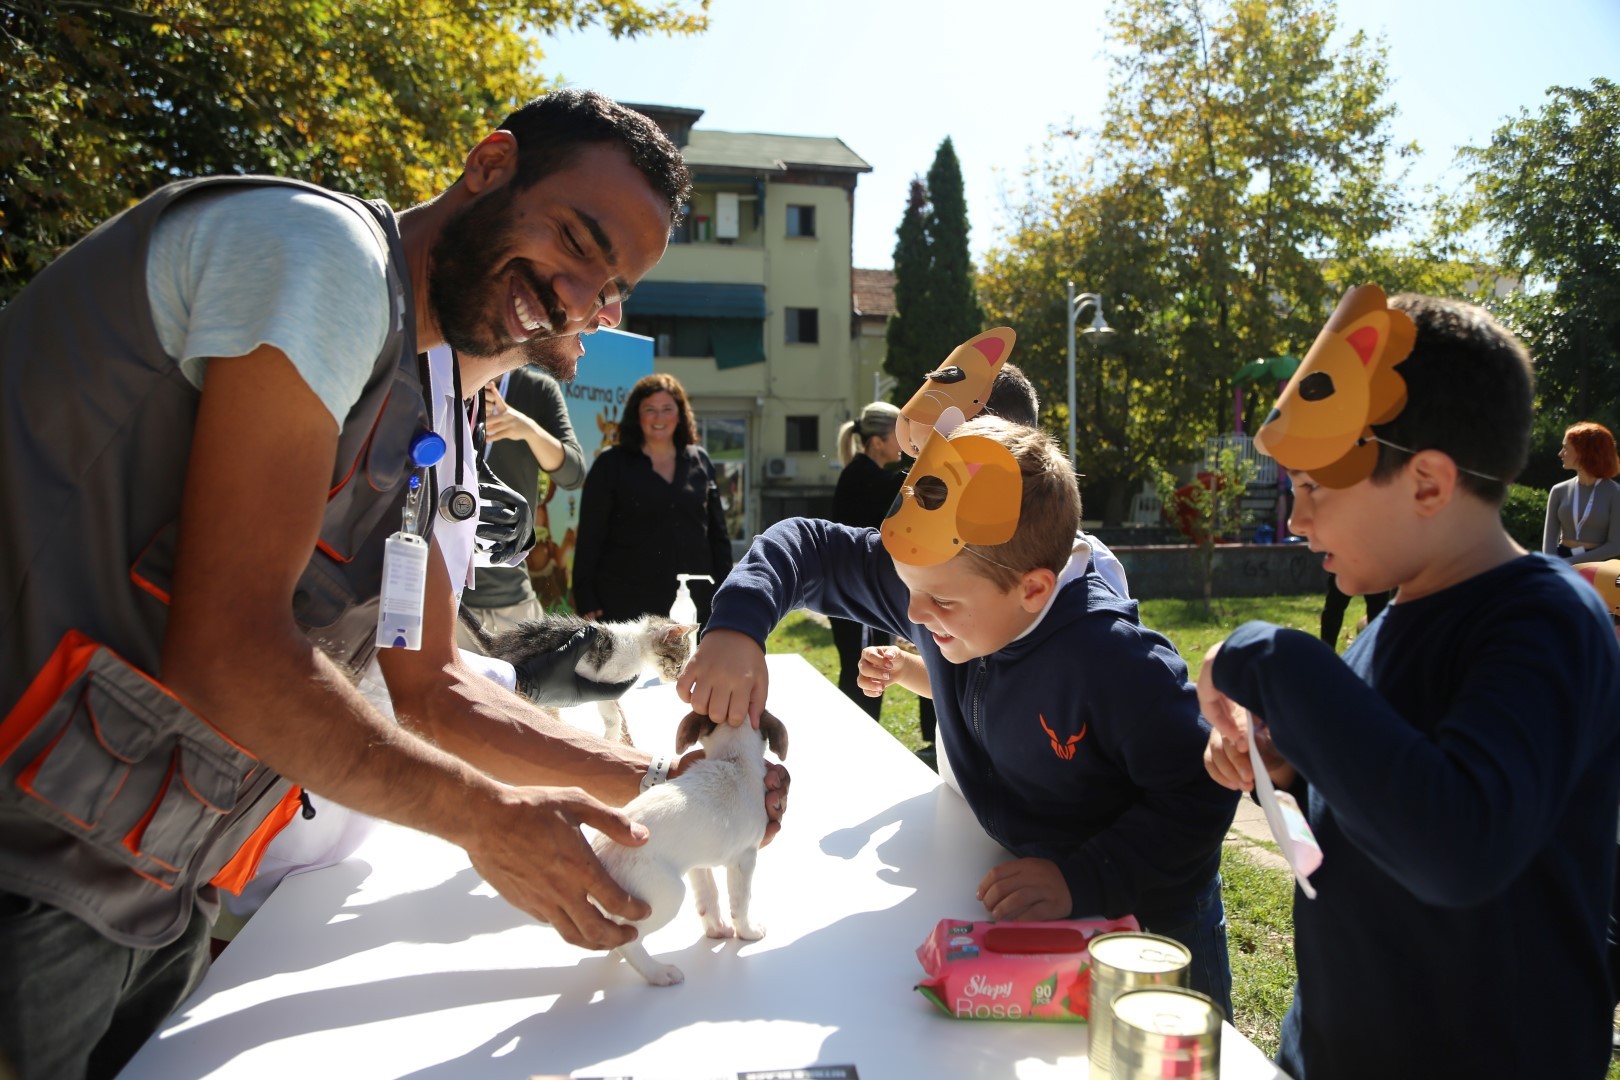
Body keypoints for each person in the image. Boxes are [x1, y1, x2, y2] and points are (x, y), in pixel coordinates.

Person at [0, 89, 788, 1080]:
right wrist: (486, 821)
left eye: (609, 284)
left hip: (160, 883)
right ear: (489, 165)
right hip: (28, 867)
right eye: (576, 239)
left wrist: (672, 792)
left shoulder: (437, 397)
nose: (576, 295)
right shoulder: (321, 258)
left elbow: (433, 690)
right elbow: (227, 647)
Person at [679, 413, 1240, 1018]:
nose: (913, 616)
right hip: (1025, 897)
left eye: (939, 600)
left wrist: (1081, 879)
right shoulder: (947, 579)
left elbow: (1197, 793)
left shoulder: (1118, 660)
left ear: (1033, 589)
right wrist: (738, 624)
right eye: (906, 587)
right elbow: (807, 545)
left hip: (1151, 927)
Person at [1199, 289, 1620, 1079]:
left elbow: (1459, 845)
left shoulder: (1548, 622)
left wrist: (1270, 654)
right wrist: (1284, 764)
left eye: (1315, 488)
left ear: (1428, 483)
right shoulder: (1389, 622)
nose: (1295, 518)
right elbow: (1383, 798)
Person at [572, 372, 734, 625]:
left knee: (692, 665)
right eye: (650, 409)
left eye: (667, 408)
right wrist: (586, 597)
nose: (659, 418)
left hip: (694, 601)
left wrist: (728, 591)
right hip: (626, 604)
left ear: (680, 414)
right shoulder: (611, 464)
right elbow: (590, 537)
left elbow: (718, 536)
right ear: (637, 415)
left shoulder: (700, 461)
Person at [457, 365, 586, 647]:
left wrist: (527, 429)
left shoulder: (536, 389)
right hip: (445, 598)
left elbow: (573, 474)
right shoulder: (445, 376)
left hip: (513, 596)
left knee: (522, 690)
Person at [828, 401, 905, 719]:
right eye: (899, 435)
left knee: (866, 673)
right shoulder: (864, 478)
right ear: (877, 442)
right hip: (854, 596)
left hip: (856, 594)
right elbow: (904, 487)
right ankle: (856, 742)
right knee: (864, 674)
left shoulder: (864, 475)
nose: (904, 443)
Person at [1543, 420, 1620, 565]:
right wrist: (1553, 565)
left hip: (1597, 567)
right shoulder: (1559, 490)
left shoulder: (1615, 493)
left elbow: (1615, 545)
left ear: (1584, 451)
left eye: (1566, 448)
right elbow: (1549, 543)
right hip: (1561, 563)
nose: (1560, 453)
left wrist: (1570, 564)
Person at [1316, 572, 1389, 650]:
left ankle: (1377, 650)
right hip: (1352, 567)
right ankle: (1327, 649)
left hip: (1369, 569)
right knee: (1334, 608)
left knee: (1378, 611)